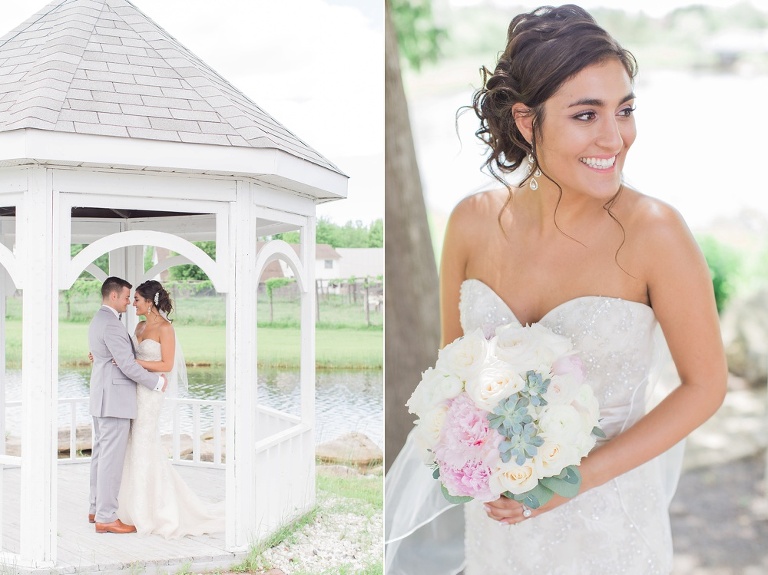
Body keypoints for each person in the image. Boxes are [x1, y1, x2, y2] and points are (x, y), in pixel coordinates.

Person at [385, 5, 727, 574]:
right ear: (526, 120)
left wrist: (572, 483)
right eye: (586, 115)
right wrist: (474, 452)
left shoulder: (656, 233)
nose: (615, 138)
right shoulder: (471, 222)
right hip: (499, 521)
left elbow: (706, 386)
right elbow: (454, 376)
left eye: (625, 110)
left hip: (609, 524)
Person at [116, 279, 225, 539]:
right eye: (132, 300)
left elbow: (166, 364)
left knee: (143, 442)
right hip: (134, 390)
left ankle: (151, 511)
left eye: (137, 300)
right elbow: (127, 354)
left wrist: (134, 361)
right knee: (133, 444)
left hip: (151, 395)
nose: (133, 304)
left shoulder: (165, 329)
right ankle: (129, 507)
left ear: (150, 302)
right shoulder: (139, 325)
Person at [88, 276, 167, 534]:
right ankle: (107, 517)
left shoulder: (98, 319)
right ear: (114, 296)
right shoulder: (111, 324)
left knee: (101, 456)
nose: (128, 302)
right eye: (125, 297)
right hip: (115, 400)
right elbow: (127, 365)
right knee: (110, 460)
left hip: (102, 397)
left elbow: (112, 357)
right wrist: (155, 383)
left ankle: (96, 507)